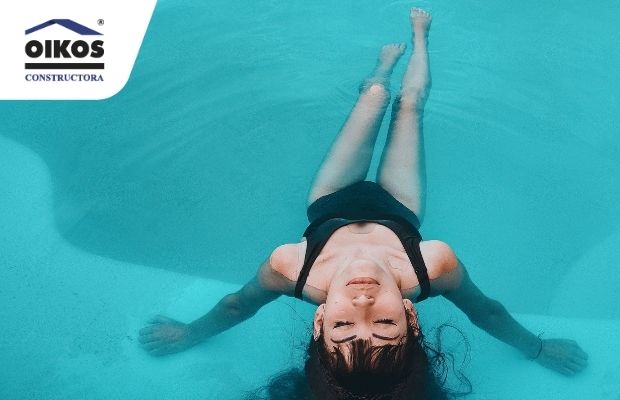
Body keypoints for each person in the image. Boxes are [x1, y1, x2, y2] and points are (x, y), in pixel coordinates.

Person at [139, 7, 588, 397]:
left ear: (319, 324)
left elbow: (237, 304)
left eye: (342, 327)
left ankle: (381, 67)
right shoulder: (432, 264)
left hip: (330, 201)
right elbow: (486, 310)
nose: (362, 309)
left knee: (374, 97)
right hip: (400, 204)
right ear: (410, 319)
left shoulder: (292, 268)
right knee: (409, 105)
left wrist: (189, 333)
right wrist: (538, 347)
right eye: (384, 327)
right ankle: (418, 39)